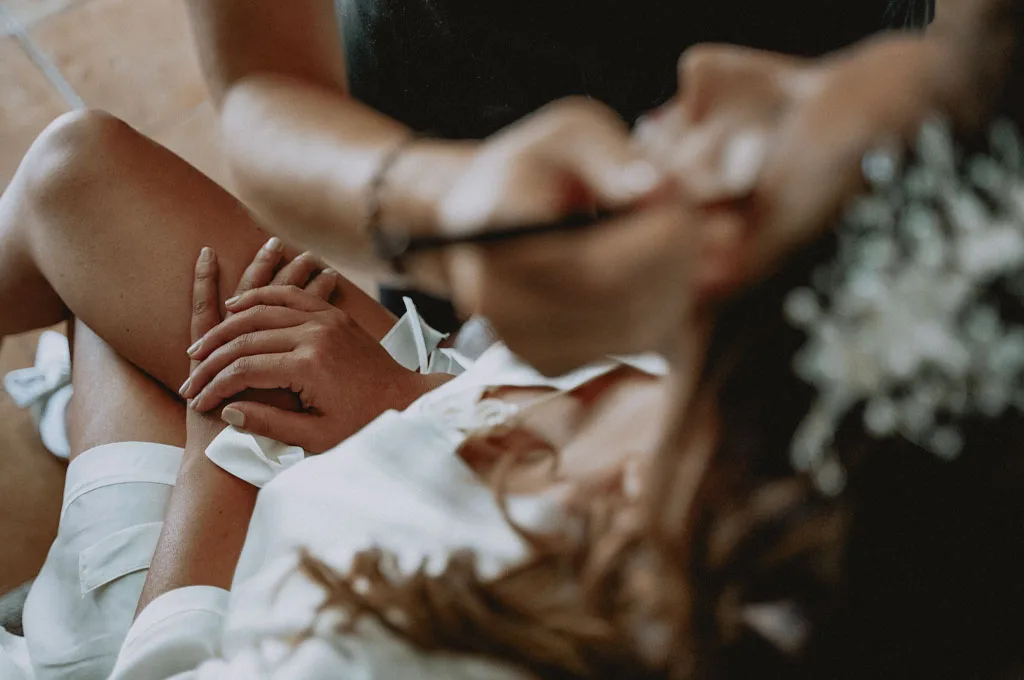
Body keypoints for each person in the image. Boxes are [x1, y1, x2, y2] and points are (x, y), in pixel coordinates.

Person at [86, 2, 1024, 676]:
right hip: (402, 417)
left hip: (212, 592)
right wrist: (407, 402)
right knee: (83, 186)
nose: (708, 66)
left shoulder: (371, 645)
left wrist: (218, 454)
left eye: (764, 133)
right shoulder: (769, 463)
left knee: (78, 199)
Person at [183, 0, 896, 336]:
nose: (699, 71)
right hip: (456, 110)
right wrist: (441, 199)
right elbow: (261, 90)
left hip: (835, 98)